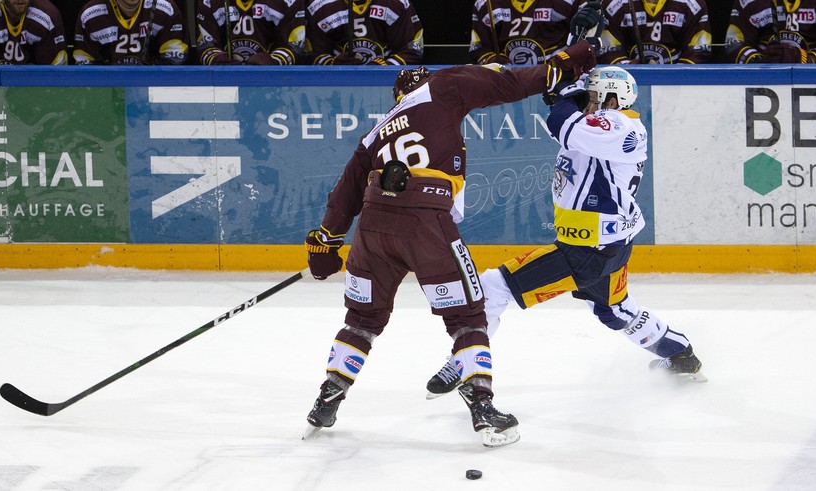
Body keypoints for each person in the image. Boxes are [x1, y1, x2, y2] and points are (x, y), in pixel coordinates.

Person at [301, 8, 603, 445]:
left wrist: (326, 243)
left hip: (372, 228)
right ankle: (483, 409)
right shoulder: (443, 86)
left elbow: (344, 193)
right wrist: (575, 54)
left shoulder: (377, 131)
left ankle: (327, 400)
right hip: (425, 224)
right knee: (467, 317)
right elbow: (514, 82)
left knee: (362, 319)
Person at [425, 65, 707, 402]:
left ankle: (463, 364)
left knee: (491, 290)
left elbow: (563, 122)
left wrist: (567, 97)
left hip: (584, 249)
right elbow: (566, 119)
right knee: (613, 310)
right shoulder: (602, 127)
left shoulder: (620, 126)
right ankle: (680, 355)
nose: (586, 102)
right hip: (607, 242)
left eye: (592, 96)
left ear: (613, 99)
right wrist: (566, 84)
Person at [304, 0, 422, 65]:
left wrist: (384, 67)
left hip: (387, 86)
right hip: (336, 89)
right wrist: (333, 64)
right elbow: (313, 55)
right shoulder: (319, 6)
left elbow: (412, 50)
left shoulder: (396, 3)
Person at [468, 0, 583, 65]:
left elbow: (583, 38)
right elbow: (479, 47)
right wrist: (491, 60)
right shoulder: (486, 4)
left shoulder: (567, 2)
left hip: (558, 77)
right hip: (509, 82)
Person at [73, 0, 189, 65]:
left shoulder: (165, 9)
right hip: (108, 93)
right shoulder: (91, 15)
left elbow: (175, 62)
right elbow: (85, 69)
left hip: (154, 91)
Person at [597, 0, 712, 64]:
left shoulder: (693, 5)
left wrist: (673, 77)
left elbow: (698, 53)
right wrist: (629, 69)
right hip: (627, 83)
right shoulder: (612, 4)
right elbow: (607, 51)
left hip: (676, 88)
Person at [195, 0, 306, 65]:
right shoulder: (209, 3)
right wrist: (218, 59)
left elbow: (294, 45)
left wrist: (273, 61)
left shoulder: (288, 2)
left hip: (275, 84)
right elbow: (206, 44)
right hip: (226, 83)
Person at [725, 0, 816, 63]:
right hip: (761, 80)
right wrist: (761, 63)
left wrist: (809, 59)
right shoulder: (749, 2)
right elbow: (734, 44)